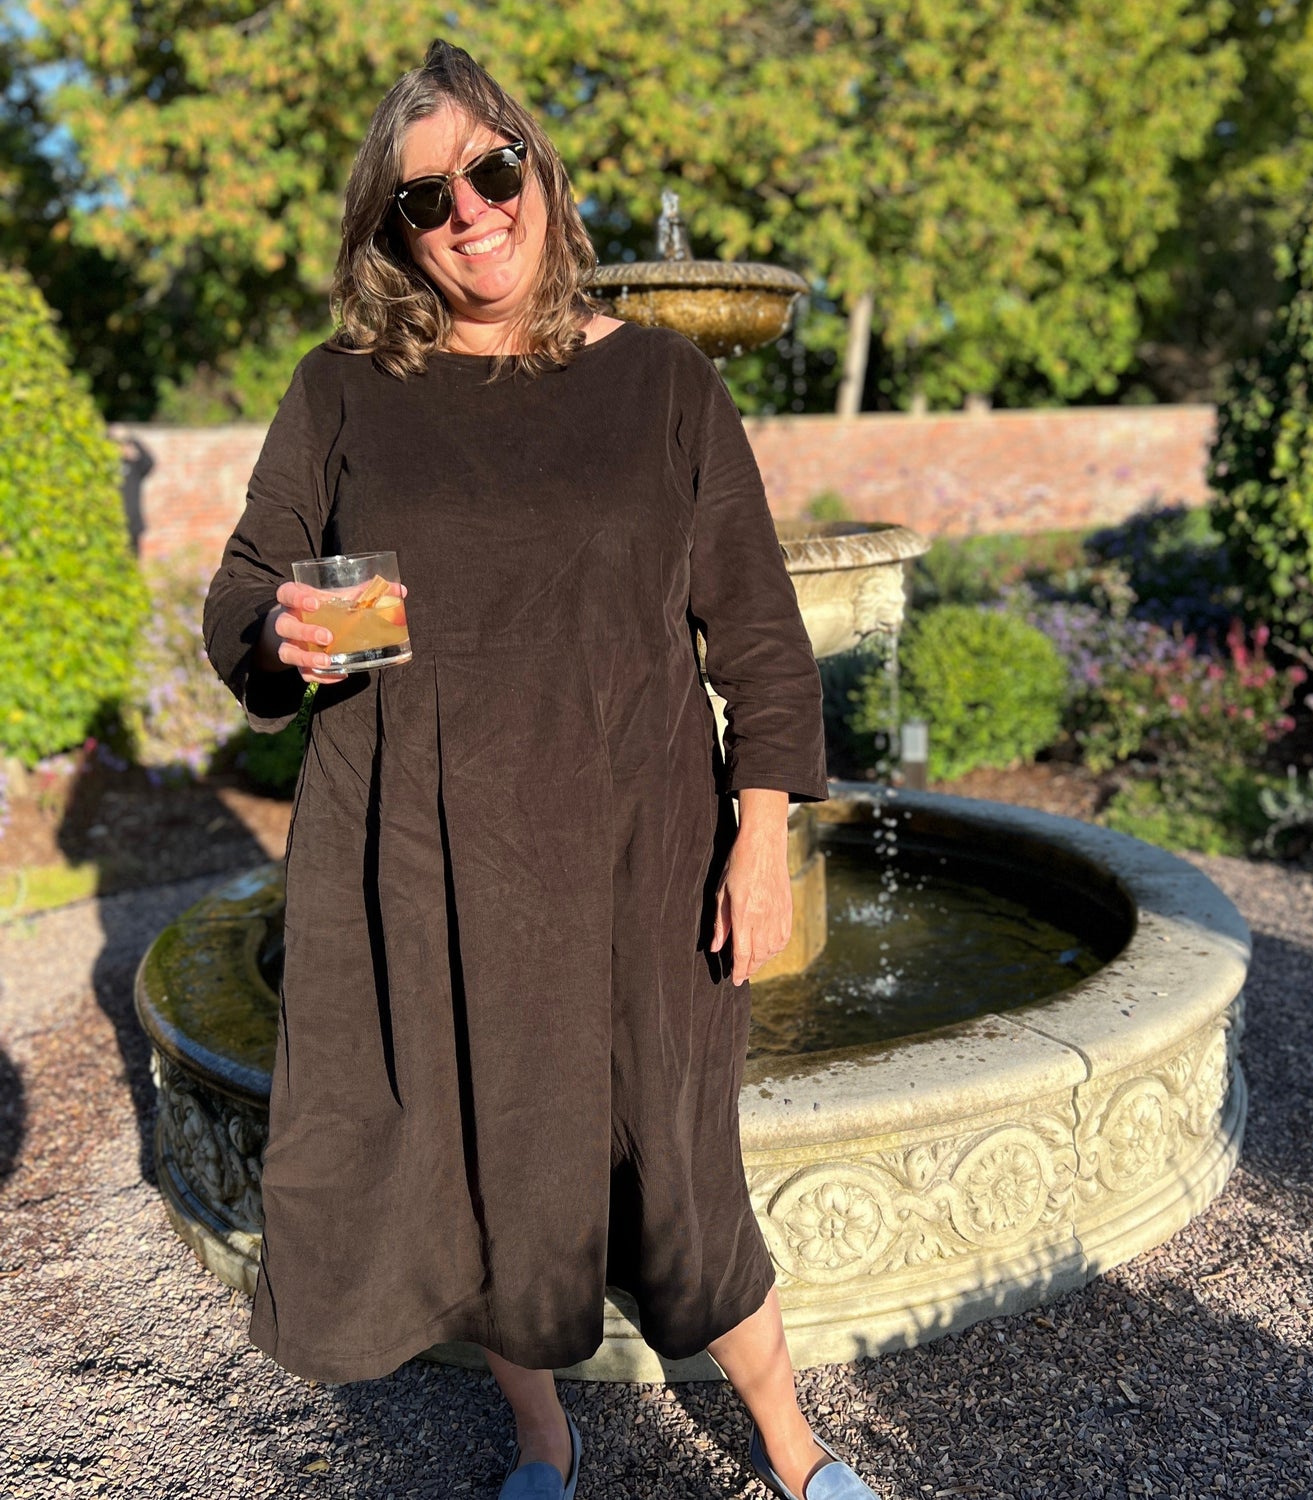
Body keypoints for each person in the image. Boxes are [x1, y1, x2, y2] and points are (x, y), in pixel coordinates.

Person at [201, 37, 882, 1500]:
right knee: (485, 1158)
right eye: (423, 200)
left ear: (539, 171)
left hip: (640, 856)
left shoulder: (667, 388)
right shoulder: (342, 395)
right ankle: (543, 1444)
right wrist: (281, 628)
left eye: (489, 172)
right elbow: (245, 597)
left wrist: (760, 837)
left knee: (686, 1182)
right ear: (393, 234)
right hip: (436, 866)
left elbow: (758, 633)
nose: (468, 214)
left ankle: (798, 1450)